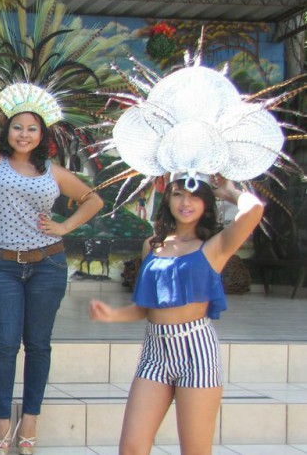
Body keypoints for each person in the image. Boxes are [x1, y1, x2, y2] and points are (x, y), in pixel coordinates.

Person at [0, 107, 103, 454]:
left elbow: (93, 200)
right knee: (5, 343)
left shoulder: (53, 171)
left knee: (38, 344)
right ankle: (2, 420)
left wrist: (65, 226)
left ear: (42, 135)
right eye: (17, 127)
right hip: (3, 267)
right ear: (7, 130)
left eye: (32, 129)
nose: (24, 134)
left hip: (47, 265)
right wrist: (0, 110)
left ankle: (31, 418)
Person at [90, 177, 262, 454]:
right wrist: (112, 315)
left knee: (194, 449)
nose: (185, 202)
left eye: (194, 196)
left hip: (196, 352)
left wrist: (230, 192)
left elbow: (254, 210)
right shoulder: (152, 245)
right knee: (132, 448)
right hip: (155, 353)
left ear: (205, 203)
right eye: (178, 194)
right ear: (167, 200)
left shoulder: (215, 245)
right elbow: (148, 306)